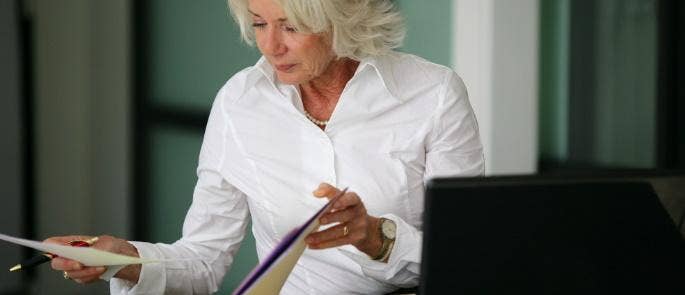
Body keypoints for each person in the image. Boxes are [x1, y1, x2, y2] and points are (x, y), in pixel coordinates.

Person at [47, 0, 484, 293]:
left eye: (290, 26)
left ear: (340, 18)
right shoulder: (240, 102)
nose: (270, 45)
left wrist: (378, 238)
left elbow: (468, 258)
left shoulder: (433, 93)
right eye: (259, 23)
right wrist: (124, 259)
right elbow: (203, 260)